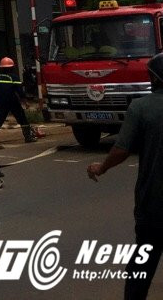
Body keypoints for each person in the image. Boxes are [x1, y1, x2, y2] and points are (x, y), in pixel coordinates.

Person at [87, 52, 163, 300]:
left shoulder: (141, 107)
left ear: (153, 78)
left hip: (153, 204)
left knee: (141, 267)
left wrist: (102, 167)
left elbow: (121, 149)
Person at [0, 57, 37, 144]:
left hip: (0, 102)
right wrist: (25, 102)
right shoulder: (14, 77)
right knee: (22, 118)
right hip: (12, 101)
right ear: (11, 68)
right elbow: (20, 92)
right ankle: (28, 137)